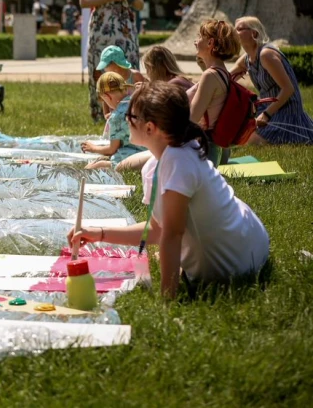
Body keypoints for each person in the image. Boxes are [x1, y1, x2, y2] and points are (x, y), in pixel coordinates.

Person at [69, 82, 270, 299]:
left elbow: (172, 234)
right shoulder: (159, 162)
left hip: (237, 261)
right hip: (244, 241)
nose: (126, 119)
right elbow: (158, 230)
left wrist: (167, 299)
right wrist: (99, 234)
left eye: (130, 115)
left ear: (150, 128)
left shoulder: (177, 160)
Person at [80, 0, 145, 122]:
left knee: (128, 70)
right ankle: (101, 114)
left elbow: (140, 4)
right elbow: (83, 1)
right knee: (101, 72)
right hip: (102, 32)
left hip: (125, 33)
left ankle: (130, 112)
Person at [231, 16, 313, 144]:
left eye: (240, 29)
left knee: (250, 141)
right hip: (265, 108)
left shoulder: (266, 55)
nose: (234, 32)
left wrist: (266, 115)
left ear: (254, 34)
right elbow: (224, 77)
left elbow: (288, 89)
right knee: (236, 131)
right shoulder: (247, 58)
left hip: (286, 111)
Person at [188, 19, 240, 165]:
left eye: (199, 37)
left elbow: (191, 120)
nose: (195, 42)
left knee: (128, 163)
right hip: (216, 151)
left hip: (202, 152)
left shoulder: (210, 75)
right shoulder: (222, 72)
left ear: (210, 43)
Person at [82, 72, 146, 170]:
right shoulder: (138, 102)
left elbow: (112, 149)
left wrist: (93, 148)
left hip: (134, 156)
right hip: (149, 152)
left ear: (107, 96)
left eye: (104, 100)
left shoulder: (116, 116)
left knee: (93, 166)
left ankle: (103, 165)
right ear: (125, 88)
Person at [96, 45, 146, 117]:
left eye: (106, 66)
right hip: (117, 117)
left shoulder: (135, 76)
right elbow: (106, 97)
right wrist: (106, 114)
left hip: (135, 114)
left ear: (117, 63)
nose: (105, 69)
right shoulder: (110, 81)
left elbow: (146, 95)